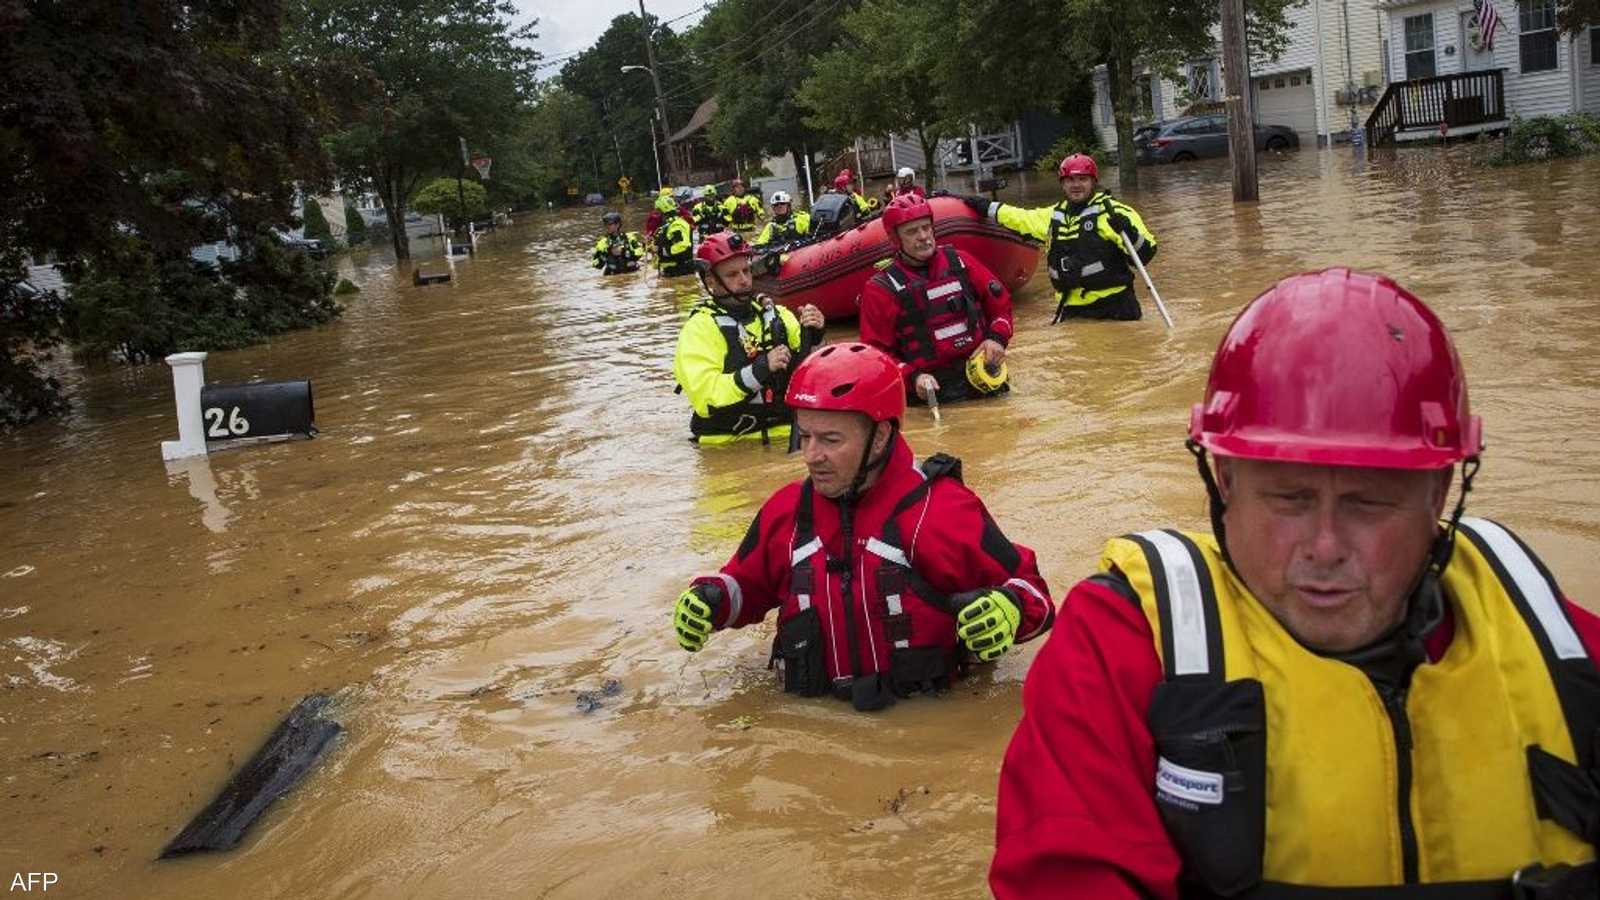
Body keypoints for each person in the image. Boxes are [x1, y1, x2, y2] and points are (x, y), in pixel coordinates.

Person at [991, 268, 1600, 899]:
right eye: (1288, 499)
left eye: (1369, 503)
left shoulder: (1555, 647)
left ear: (1440, 493)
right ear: (1224, 482)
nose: (1326, 548)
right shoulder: (1123, 647)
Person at [672, 342, 1055, 710]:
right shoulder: (786, 511)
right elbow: (745, 586)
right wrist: (715, 599)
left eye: (830, 439)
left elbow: (1033, 592)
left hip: (921, 731)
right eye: (804, 436)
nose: (810, 456)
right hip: (810, 727)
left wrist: (1011, 608)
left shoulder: (942, 510)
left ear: (881, 437)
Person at [962, 153, 1156, 322]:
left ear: (1093, 182)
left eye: (1082, 179)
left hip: (1116, 308)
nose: (1076, 185)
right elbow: (1019, 217)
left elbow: (1146, 254)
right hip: (1073, 310)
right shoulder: (1053, 216)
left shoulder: (1115, 213)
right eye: (1070, 180)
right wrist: (984, 206)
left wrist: (1129, 231)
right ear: (1063, 184)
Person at [860, 195, 1014, 406]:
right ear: (896, 239)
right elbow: (875, 354)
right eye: (912, 231)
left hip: (984, 375)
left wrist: (996, 339)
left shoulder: (961, 262)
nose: (923, 236)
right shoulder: (880, 289)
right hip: (929, 390)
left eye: (926, 227)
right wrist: (912, 377)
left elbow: (1001, 307)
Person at [672, 232, 824, 445]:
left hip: (789, 438)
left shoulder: (778, 315)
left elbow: (813, 371)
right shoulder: (700, 329)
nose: (744, 281)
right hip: (730, 446)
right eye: (732, 275)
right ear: (711, 281)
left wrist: (816, 334)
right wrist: (760, 369)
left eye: (746, 271)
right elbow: (706, 397)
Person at [652, 192, 695, 277]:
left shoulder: (677, 225)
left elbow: (682, 245)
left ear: (664, 211)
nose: (656, 214)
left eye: (658, 211)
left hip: (681, 272)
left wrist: (660, 250)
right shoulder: (666, 226)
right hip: (669, 273)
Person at [591, 210, 644, 274]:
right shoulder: (603, 243)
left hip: (632, 272)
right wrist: (607, 253)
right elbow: (596, 264)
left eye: (610, 224)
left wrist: (624, 251)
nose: (607, 226)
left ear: (617, 224)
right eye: (605, 224)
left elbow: (640, 253)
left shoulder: (629, 238)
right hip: (612, 275)